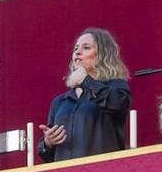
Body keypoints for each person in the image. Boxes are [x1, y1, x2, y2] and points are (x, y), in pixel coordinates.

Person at [37, 28, 132, 163]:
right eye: (76, 48)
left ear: (102, 55)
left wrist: (86, 81)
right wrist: (48, 143)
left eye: (86, 47)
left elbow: (117, 104)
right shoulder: (60, 102)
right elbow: (48, 157)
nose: (77, 52)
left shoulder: (116, 86)